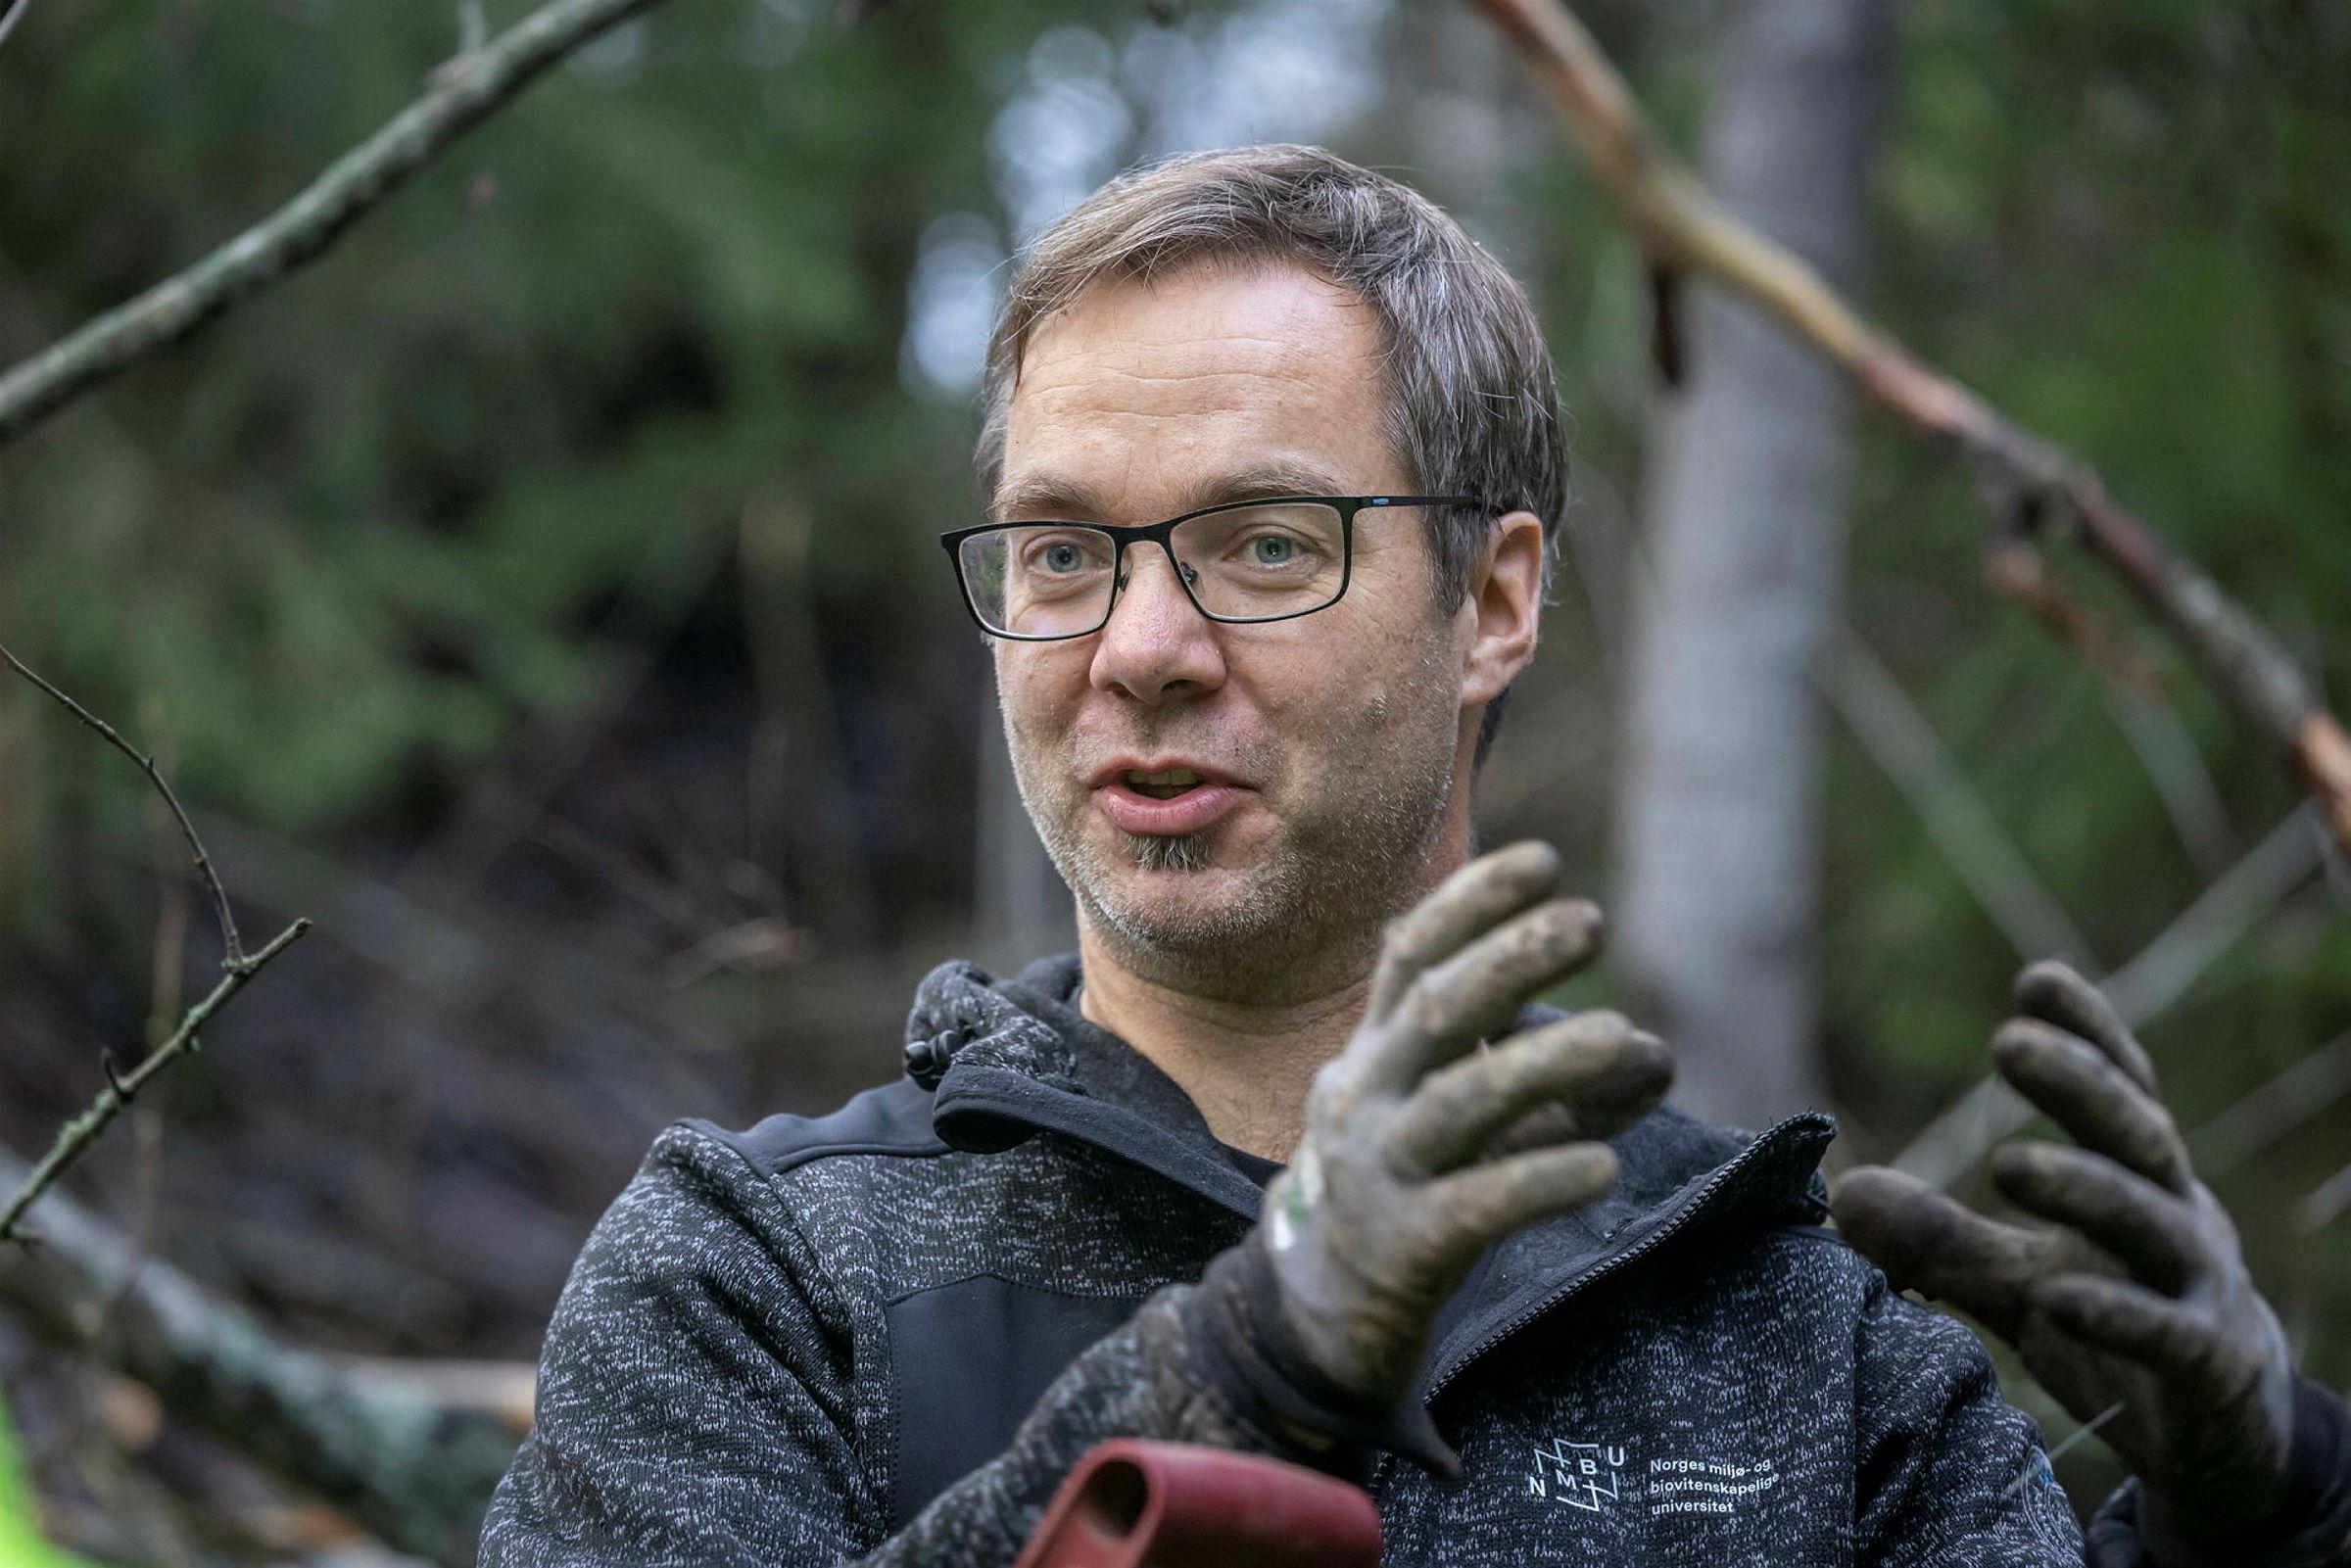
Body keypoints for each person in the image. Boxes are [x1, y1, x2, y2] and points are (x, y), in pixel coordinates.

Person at [479, 145, 2348, 1566]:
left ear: (1495, 601)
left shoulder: (1791, 1337)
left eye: (1265, 544)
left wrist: (2268, 1519)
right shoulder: (761, 1275)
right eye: (1061, 553)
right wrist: (1234, 1383)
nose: (1139, 647)